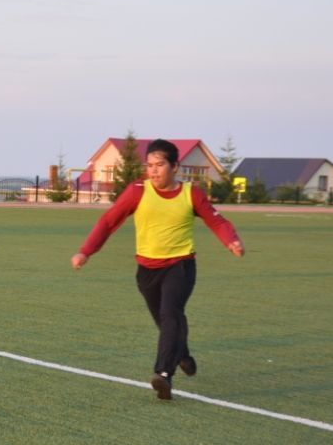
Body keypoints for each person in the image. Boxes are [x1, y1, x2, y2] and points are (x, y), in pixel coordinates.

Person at [71, 139, 245, 400]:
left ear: (174, 166)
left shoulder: (191, 194)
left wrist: (230, 240)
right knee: (166, 321)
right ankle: (182, 354)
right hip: (147, 269)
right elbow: (109, 221)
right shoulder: (137, 191)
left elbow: (217, 221)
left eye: (159, 165)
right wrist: (86, 251)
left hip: (180, 265)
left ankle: (163, 374)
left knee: (170, 313)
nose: (153, 171)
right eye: (149, 165)